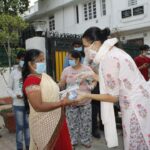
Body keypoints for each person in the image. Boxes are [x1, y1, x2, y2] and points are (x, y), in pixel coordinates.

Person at [77, 27, 150, 150]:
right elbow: (115, 81)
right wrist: (92, 75)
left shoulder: (109, 59)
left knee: (137, 142)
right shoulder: (114, 51)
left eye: (85, 46)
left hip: (134, 108)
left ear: (96, 43)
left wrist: (86, 95)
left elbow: (112, 97)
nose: (84, 50)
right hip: (140, 101)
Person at [22, 49, 76, 150]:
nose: (43, 63)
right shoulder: (31, 81)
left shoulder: (44, 76)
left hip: (58, 120)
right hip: (44, 124)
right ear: (30, 63)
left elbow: (52, 94)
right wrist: (62, 102)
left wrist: (64, 95)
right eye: (40, 60)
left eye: (43, 60)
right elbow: (38, 106)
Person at [59, 50, 96, 148]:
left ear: (78, 59)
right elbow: (62, 83)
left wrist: (91, 87)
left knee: (86, 122)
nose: (69, 61)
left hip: (85, 101)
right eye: (69, 59)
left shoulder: (87, 69)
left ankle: (86, 140)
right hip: (71, 102)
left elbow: (94, 81)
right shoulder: (66, 70)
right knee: (71, 123)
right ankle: (72, 140)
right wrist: (62, 93)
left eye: (71, 59)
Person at [7, 50, 30, 150]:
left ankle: (29, 147)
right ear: (17, 59)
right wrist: (15, 96)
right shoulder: (14, 73)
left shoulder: (29, 71)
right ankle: (19, 147)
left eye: (25, 59)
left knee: (28, 127)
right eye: (22, 59)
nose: (23, 61)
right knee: (20, 128)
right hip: (18, 105)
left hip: (29, 104)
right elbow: (8, 88)